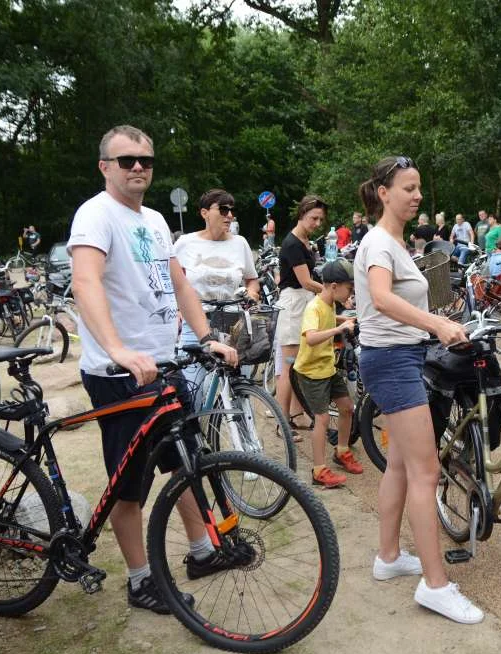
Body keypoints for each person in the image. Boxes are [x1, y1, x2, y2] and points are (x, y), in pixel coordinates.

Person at [69, 124, 240, 614]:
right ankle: (141, 580)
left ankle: (202, 551)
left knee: (185, 461)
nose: (139, 166)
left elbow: (179, 283)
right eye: (127, 160)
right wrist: (118, 349)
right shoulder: (95, 215)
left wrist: (206, 336)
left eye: (145, 159)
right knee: (130, 486)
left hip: (163, 365)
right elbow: (85, 282)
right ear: (106, 167)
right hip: (118, 372)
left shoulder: (158, 219)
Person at [355, 155, 484, 624]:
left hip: (400, 357)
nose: (417, 196)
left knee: (400, 464)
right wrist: (436, 323)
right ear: (383, 193)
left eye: (419, 188)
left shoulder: (393, 243)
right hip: (392, 362)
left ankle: (388, 557)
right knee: (426, 471)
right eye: (408, 188)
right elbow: (383, 299)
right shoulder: (376, 244)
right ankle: (435, 585)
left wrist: (439, 321)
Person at [173, 188, 259, 400]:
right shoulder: (185, 243)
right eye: (223, 209)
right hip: (197, 321)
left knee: (239, 390)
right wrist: (177, 310)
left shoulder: (240, 243)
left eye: (231, 210)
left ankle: (240, 433)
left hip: (233, 323)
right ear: (204, 213)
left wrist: (251, 293)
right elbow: (171, 281)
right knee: (194, 392)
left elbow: (252, 278)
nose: (229, 215)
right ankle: (195, 430)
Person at [294, 258, 362, 488]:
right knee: (322, 419)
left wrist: (346, 319)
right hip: (311, 372)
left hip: (327, 368)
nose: (350, 295)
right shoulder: (313, 307)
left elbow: (329, 318)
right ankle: (319, 470)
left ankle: (341, 451)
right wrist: (339, 328)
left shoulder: (329, 303)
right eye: (349, 289)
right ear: (334, 286)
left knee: (347, 408)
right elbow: (311, 337)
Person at [275, 195, 326, 435]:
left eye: (320, 219)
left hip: (303, 303)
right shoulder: (293, 243)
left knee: (298, 366)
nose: (317, 223)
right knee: (289, 368)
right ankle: (282, 423)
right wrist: (331, 291)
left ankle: (296, 414)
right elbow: (306, 281)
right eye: (313, 218)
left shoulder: (305, 240)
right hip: (294, 303)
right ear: (302, 214)